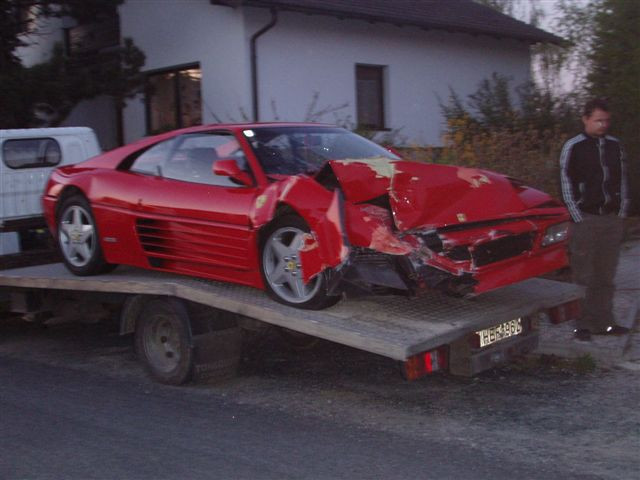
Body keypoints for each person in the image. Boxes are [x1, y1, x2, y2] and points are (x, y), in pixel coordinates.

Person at [560, 98, 631, 341]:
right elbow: (566, 180)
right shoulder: (574, 146)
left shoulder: (615, 146)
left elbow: (621, 180)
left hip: (610, 219)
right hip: (585, 219)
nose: (603, 125)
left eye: (606, 120)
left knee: (605, 275)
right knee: (583, 275)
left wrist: (621, 212)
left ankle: (605, 323)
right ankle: (582, 324)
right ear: (586, 119)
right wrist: (576, 214)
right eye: (598, 120)